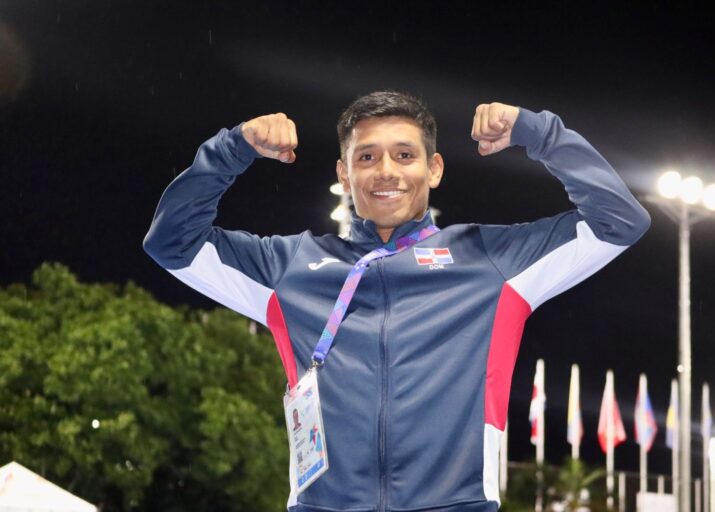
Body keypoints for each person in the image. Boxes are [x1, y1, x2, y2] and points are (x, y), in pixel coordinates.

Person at [144, 91, 650, 512]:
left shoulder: (492, 261)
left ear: (434, 169)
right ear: (344, 175)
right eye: (366, 157)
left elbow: (620, 222)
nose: (386, 171)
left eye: (405, 155)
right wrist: (233, 148)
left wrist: (537, 133)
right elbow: (172, 244)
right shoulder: (290, 267)